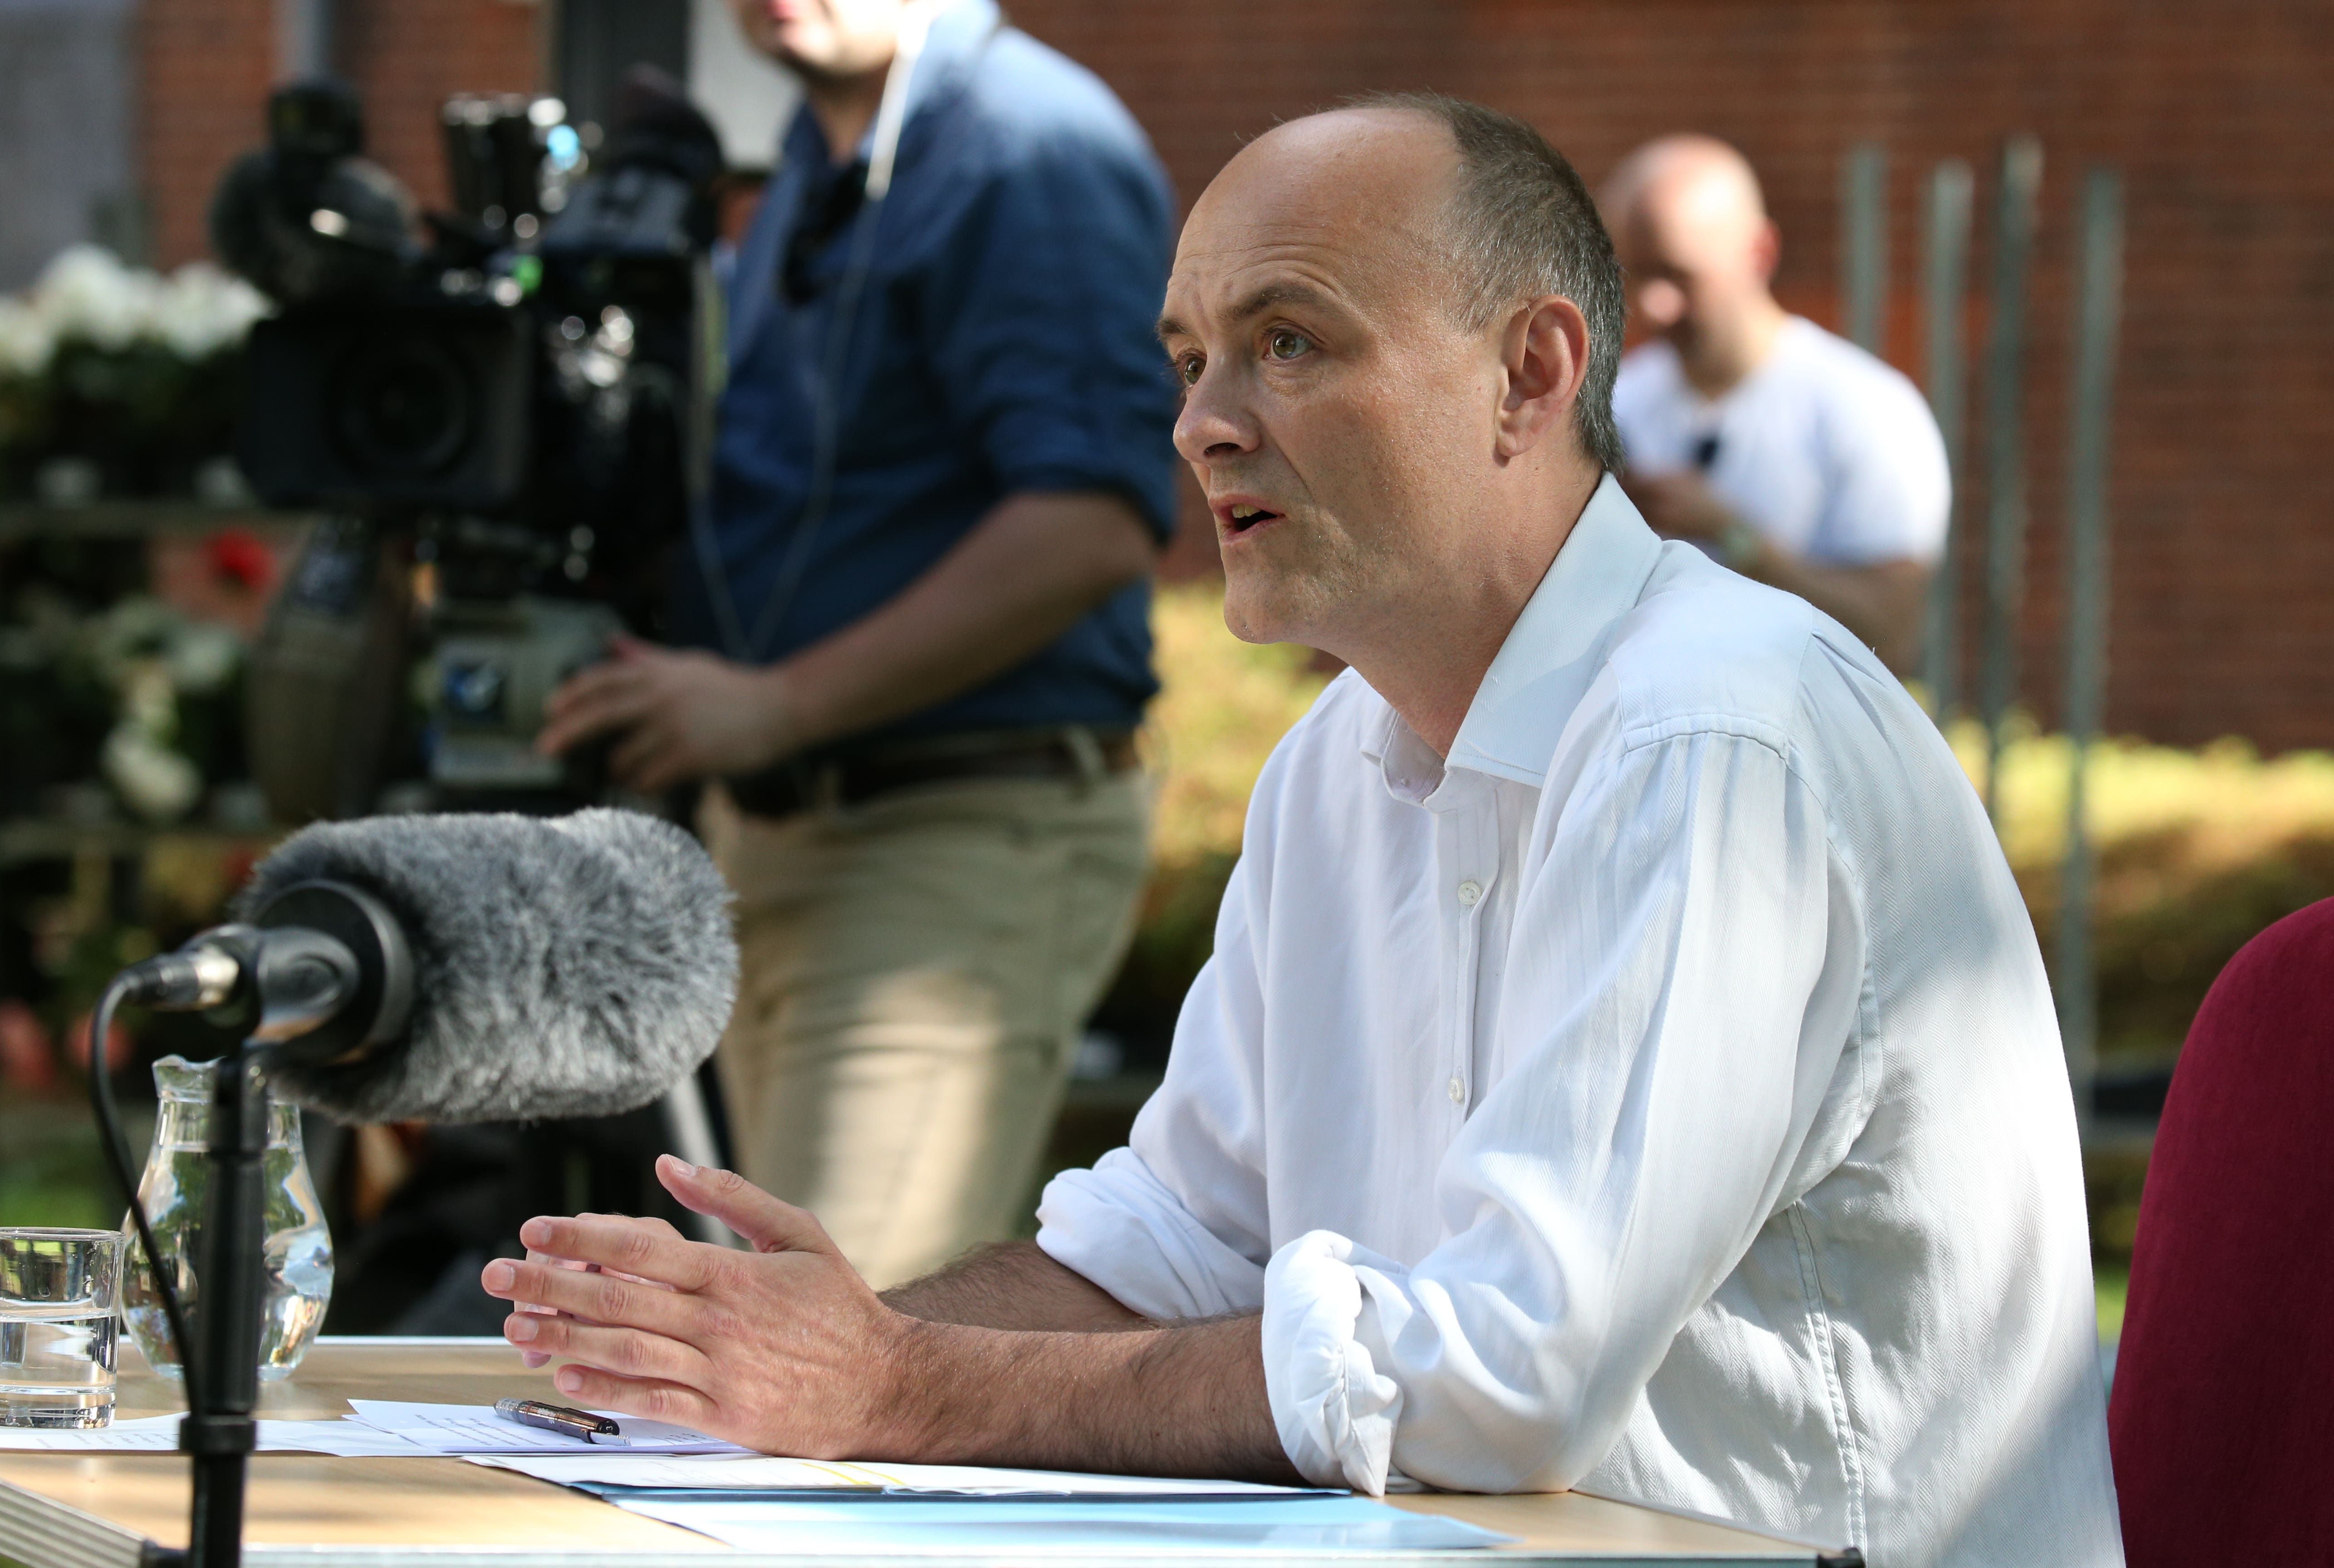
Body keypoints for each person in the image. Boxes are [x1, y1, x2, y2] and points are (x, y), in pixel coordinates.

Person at [485, 94, 2121, 1567]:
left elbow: (1501, 1384)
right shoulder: (1339, 758)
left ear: (1530, 374)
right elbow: (1175, 1246)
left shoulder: (1714, 737)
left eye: (1289, 343)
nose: (1203, 422)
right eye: (1188, 357)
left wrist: (895, 1386)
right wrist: (776, 1355)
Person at [534, 0, 1180, 1289]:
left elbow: (1096, 520)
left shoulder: (1028, 146)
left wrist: (774, 705)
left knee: (829, 1374)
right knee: (767, 1356)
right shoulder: (821, 149)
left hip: (948, 845)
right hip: (786, 842)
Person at [1601, 135, 1949, 676]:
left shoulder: (1866, 407)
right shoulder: (1615, 401)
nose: (1654, 305)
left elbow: (1893, 634)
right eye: (1635, 275)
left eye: (1678, 274)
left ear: (1760, 253)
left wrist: (1734, 537)